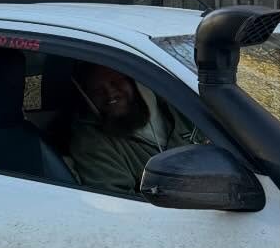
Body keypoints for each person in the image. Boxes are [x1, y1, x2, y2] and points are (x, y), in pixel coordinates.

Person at [64, 61, 196, 195]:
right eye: (97, 90)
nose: (110, 94)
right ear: (88, 98)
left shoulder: (178, 106)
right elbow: (117, 203)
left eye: (116, 82)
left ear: (135, 81)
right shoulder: (92, 141)